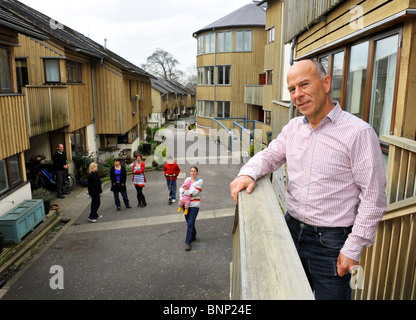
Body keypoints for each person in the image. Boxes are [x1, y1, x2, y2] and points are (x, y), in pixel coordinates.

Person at [230, 59, 387, 300]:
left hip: (332, 244)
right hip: (290, 229)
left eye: (304, 84)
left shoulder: (359, 133)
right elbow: (271, 156)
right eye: (292, 89)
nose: (297, 95)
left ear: (325, 84)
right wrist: (248, 172)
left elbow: (373, 198)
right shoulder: (293, 128)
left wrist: (353, 247)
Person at [183, 166, 203, 251]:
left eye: (194, 171)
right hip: (186, 204)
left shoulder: (200, 181)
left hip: (194, 205)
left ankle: (188, 242)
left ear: (197, 172)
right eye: (191, 171)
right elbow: (182, 189)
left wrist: (185, 191)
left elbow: (194, 193)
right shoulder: (187, 179)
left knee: (190, 223)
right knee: (189, 222)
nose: (193, 173)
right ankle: (193, 235)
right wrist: (184, 193)